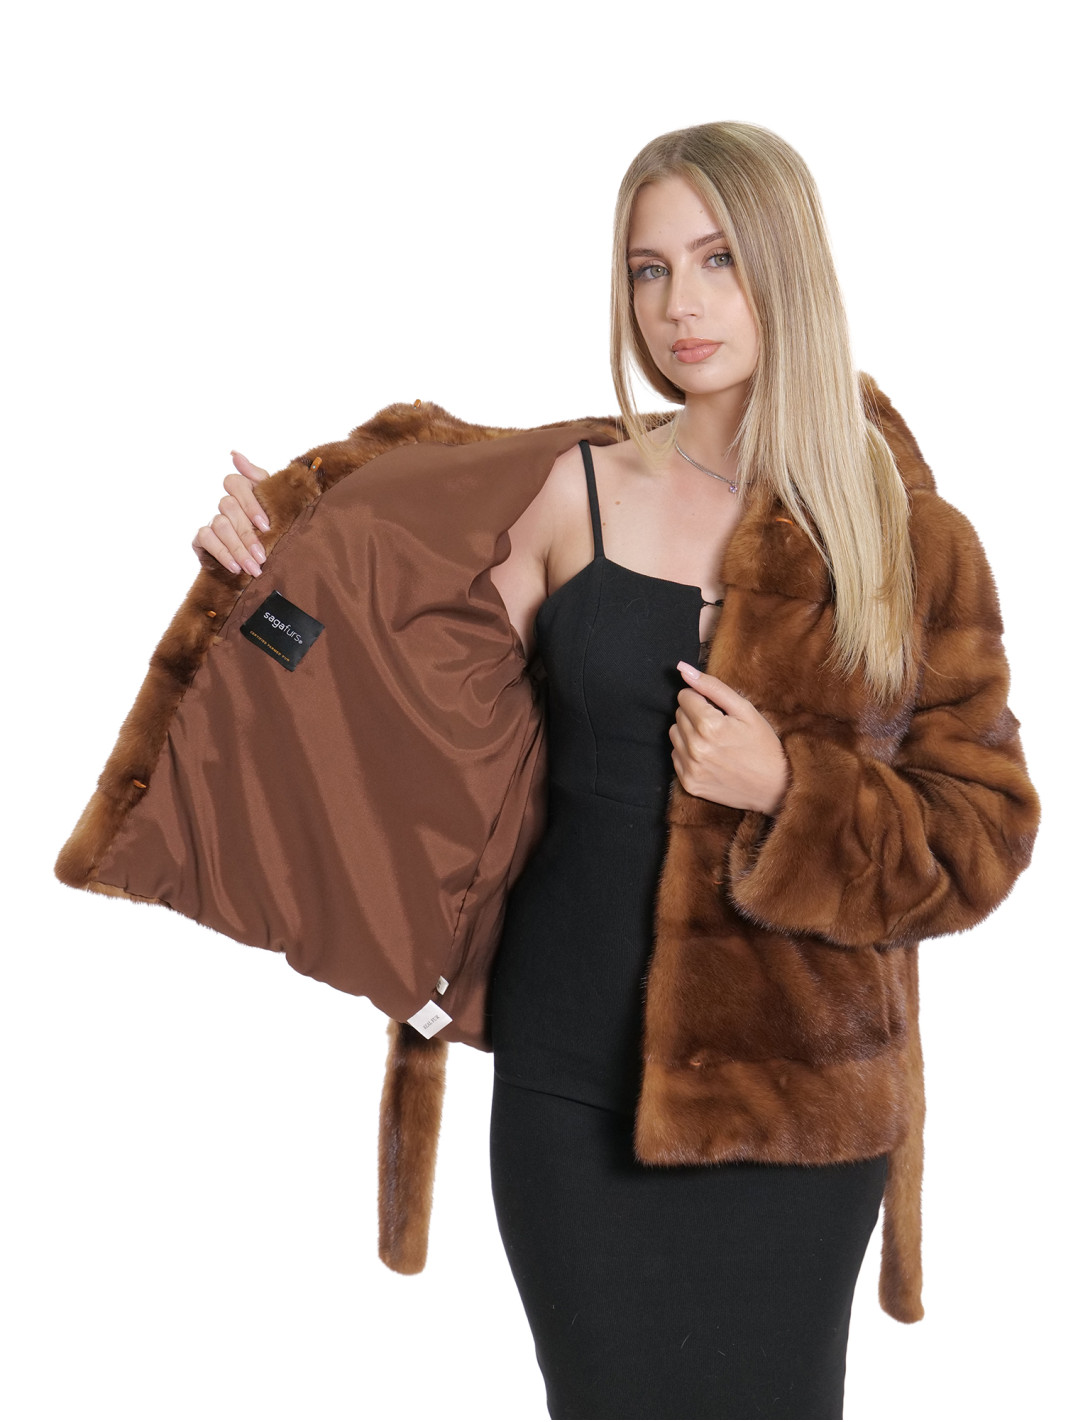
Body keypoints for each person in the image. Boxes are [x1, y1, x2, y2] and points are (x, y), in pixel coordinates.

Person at [189, 123, 1040, 1420]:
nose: (679, 303)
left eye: (717, 259)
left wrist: (791, 791)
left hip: (798, 1112)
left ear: (788, 269)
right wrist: (265, 587)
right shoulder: (565, 492)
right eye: (649, 269)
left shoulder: (910, 542)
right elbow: (387, 706)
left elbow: (979, 834)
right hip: (569, 1086)